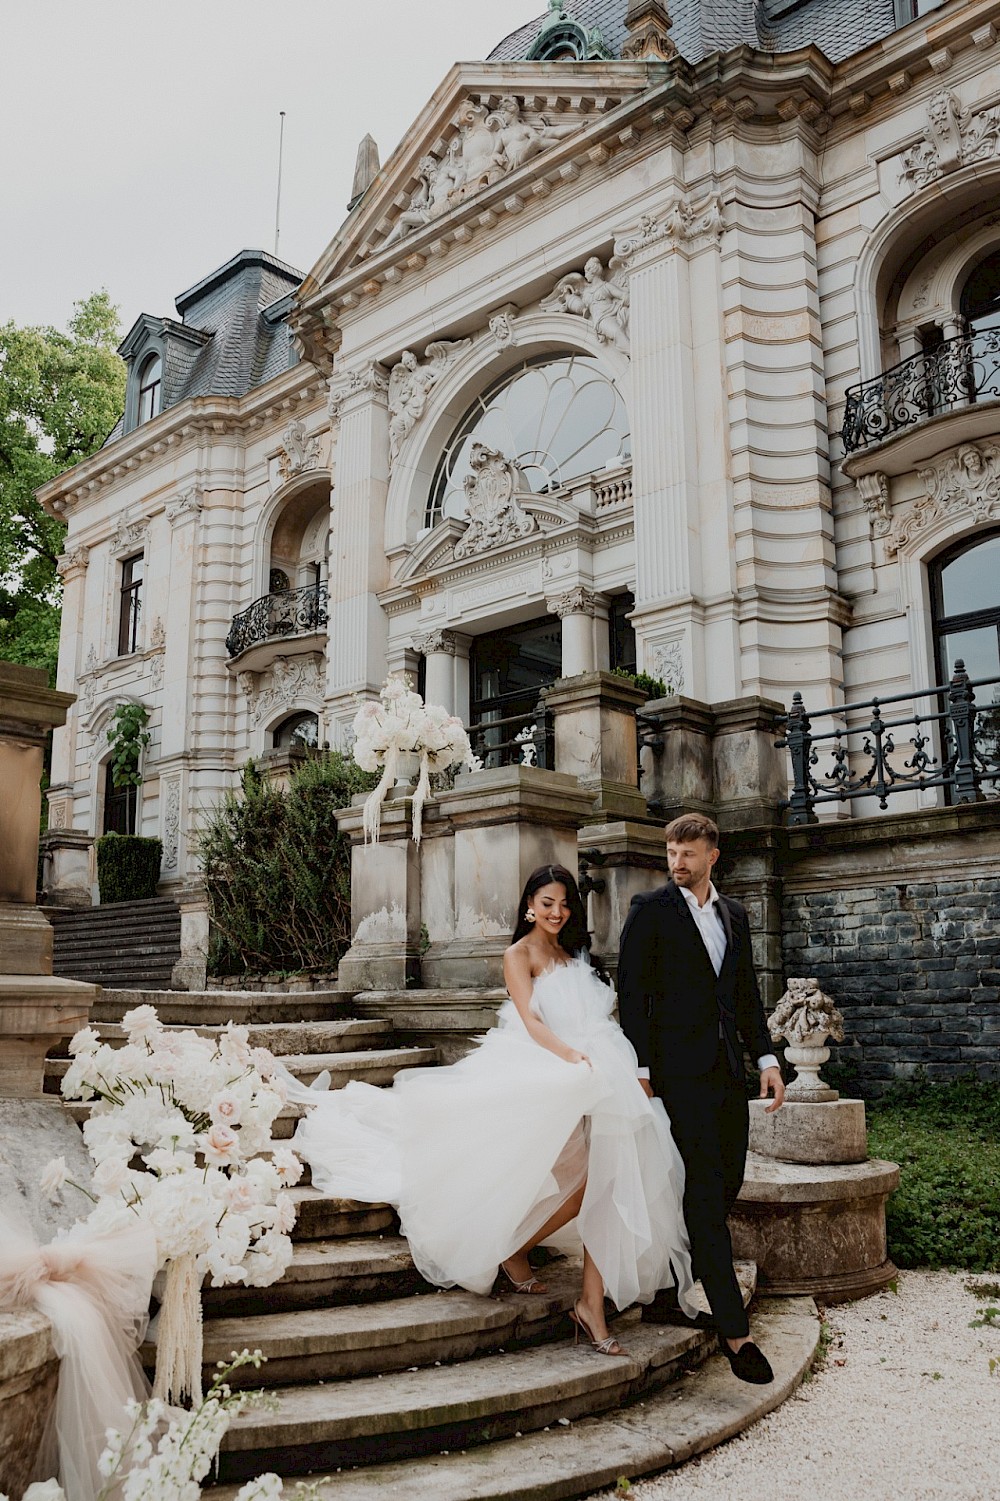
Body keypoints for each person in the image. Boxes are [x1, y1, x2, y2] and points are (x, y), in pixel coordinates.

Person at [292, 864, 695, 1356]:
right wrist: (570, 1057)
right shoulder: (518, 954)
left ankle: (589, 1301)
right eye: (547, 902)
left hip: (602, 1071)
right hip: (551, 1069)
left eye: (564, 904)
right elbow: (529, 1020)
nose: (557, 911)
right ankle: (513, 1248)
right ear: (529, 904)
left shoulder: (575, 955)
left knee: (612, 1180)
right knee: (583, 1184)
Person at [617, 813, 785, 1385]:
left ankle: (669, 1288)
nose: (677, 863)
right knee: (706, 1196)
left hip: (727, 1075)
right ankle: (736, 1333)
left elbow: (744, 995)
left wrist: (765, 1059)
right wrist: (639, 1068)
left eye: (687, 853)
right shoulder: (650, 911)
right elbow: (632, 994)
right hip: (675, 1074)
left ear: (713, 856)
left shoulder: (733, 914)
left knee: (726, 1182)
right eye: (671, 853)